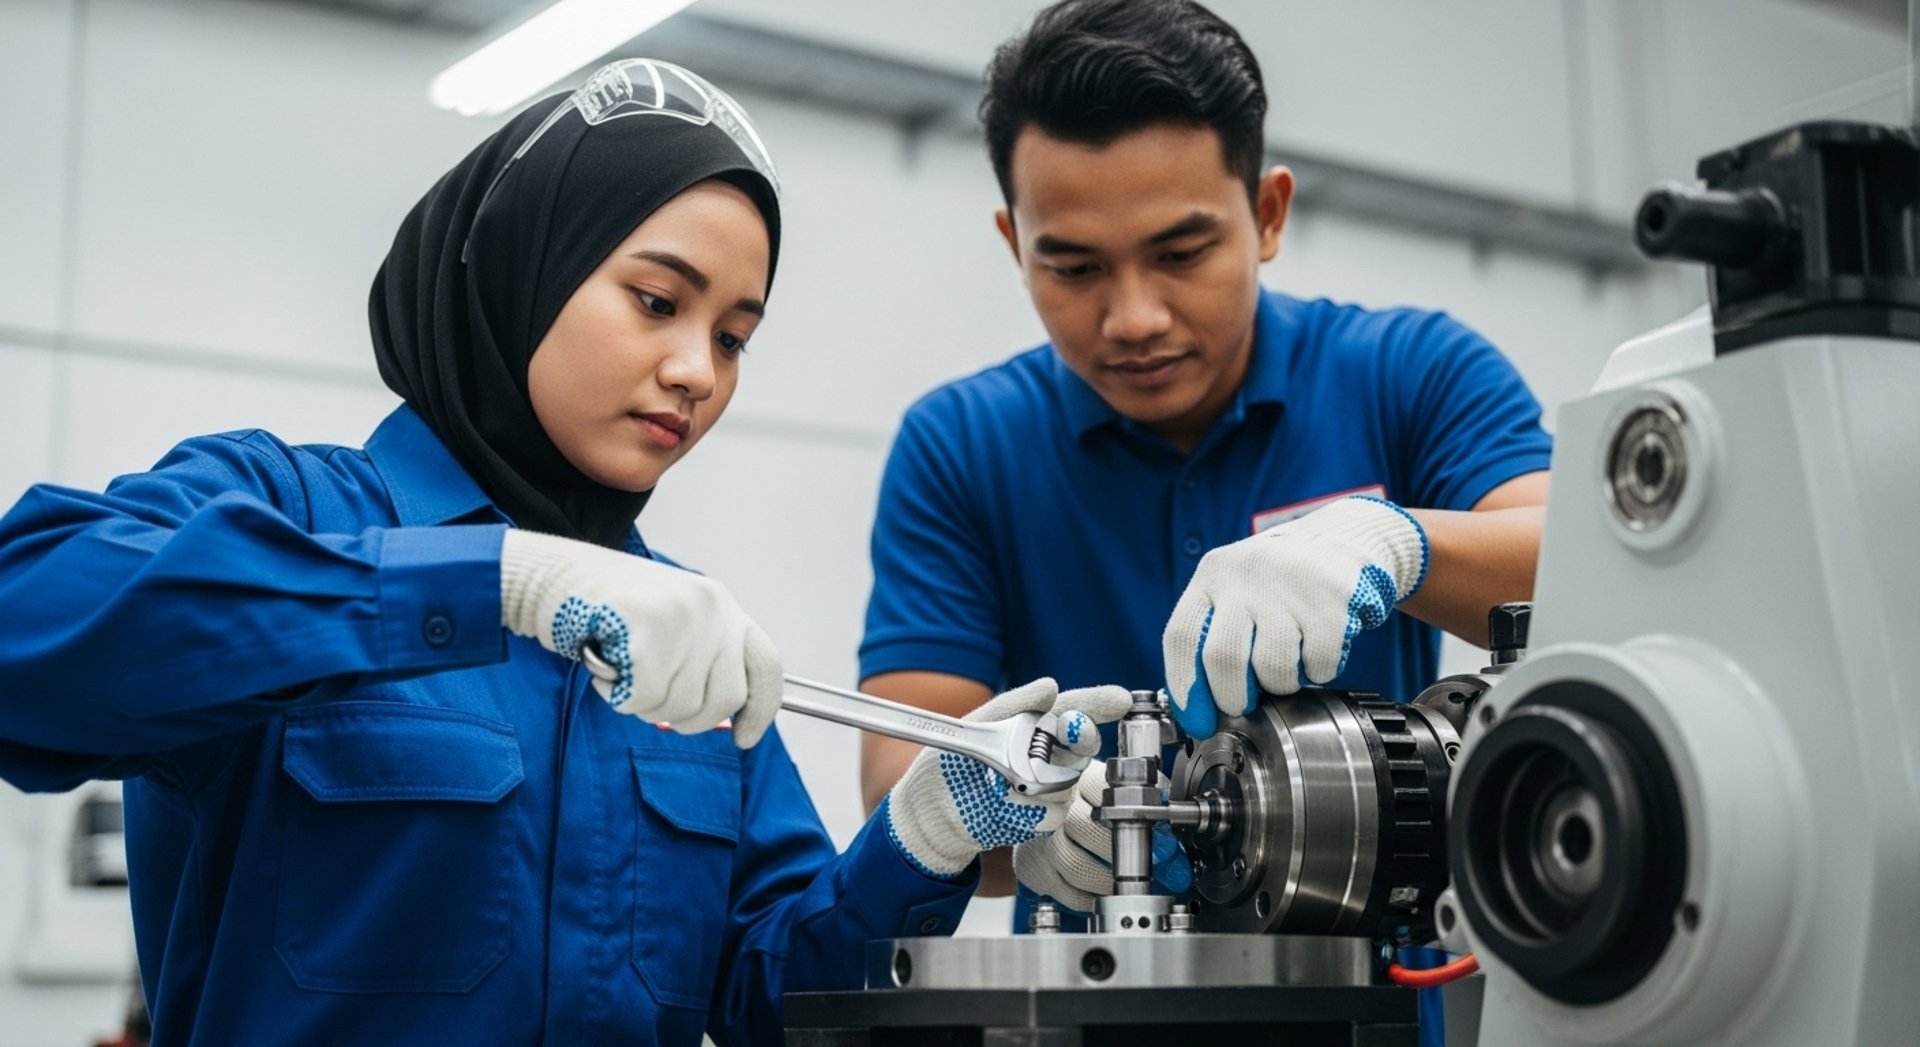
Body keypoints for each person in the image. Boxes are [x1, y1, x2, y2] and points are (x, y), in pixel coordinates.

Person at [0, 59, 1124, 1046]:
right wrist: (494, 583)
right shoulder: (286, 506)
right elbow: (27, 628)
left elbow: (775, 998)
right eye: (655, 300)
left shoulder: (688, 637)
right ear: (518, 273)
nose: (700, 371)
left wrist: (923, 837)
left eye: (734, 336)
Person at [855, 3, 1550, 1038]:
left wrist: (1398, 540)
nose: (1133, 317)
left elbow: (1577, 575)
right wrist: (1024, 819)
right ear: (1014, 241)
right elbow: (897, 773)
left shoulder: (1413, 374)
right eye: (1075, 267)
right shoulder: (961, 446)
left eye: (1181, 253)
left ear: (1268, 212)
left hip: (1379, 1014)